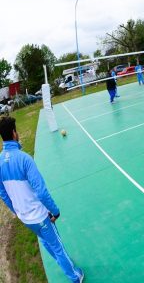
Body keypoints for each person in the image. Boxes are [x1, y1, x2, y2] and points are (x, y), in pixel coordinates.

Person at [0, 116, 84, 283]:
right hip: (40, 216)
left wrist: (16, 211)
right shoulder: (25, 159)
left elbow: (3, 194)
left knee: (46, 241)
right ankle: (75, 277)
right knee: (58, 247)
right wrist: (55, 211)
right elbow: (41, 192)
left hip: (25, 218)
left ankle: (64, 263)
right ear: (14, 133)